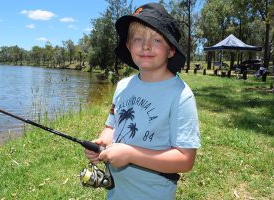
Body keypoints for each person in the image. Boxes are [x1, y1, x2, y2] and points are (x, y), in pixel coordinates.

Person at [84, 3, 200, 200]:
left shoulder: (181, 95)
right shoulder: (123, 86)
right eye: (138, 39)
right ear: (129, 46)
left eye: (156, 39)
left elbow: (185, 160)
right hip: (116, 191)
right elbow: (112, 127)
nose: (146, 45)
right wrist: (102, 143)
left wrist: (130, 154)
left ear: (171, 50)